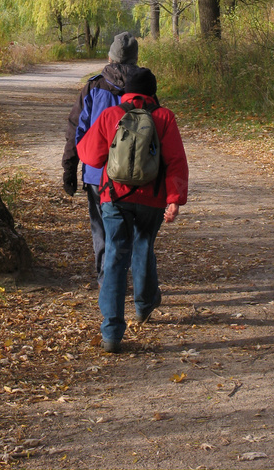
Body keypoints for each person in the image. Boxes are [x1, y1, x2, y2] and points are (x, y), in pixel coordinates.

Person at [77, 67, 189, 353]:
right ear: (152, 92)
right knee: (143, 246)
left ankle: (112, 332)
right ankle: (144, 305)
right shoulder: (164, 117)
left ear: (126, 91)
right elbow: (175, 161)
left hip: (114, 198)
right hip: (152, 199)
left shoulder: (112, 115)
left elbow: (89, 155)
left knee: (115, 255)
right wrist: (174, 198)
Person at [62, 31, 142, 284]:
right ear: (136, 59)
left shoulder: (93, 87)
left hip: (98, 173)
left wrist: (69, 169)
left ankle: (107, 280)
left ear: (109, 57)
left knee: (101, 228)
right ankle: (125, 274)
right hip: (136, 172)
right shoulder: (143, 87)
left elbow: (76, 130)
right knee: (131, 227)